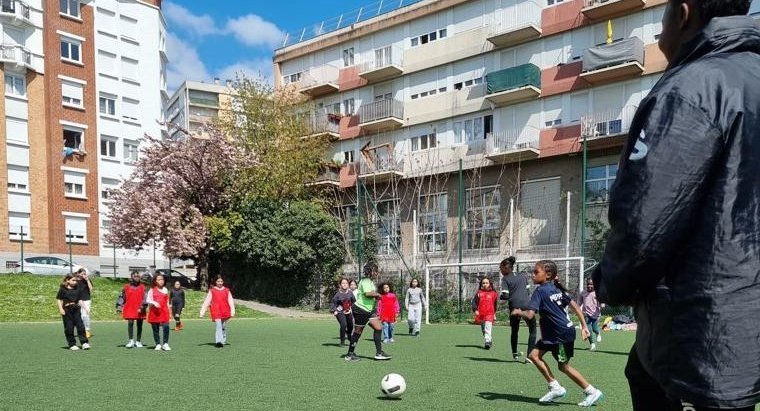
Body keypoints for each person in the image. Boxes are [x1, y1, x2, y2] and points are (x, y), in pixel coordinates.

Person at [590, 2, 760, 410]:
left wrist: (610, 282)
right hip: (744, 323)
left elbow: (646, 219)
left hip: (703, 330)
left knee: (650, 378)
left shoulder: (691, 89)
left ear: (683, 14)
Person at [512, 260, 603, 407]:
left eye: (536, 272)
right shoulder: (557, 288)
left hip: (559, 336)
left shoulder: (540, 291)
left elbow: (529, 315)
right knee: (534, 355)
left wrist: (518, 312)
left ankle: (591, 391)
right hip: (555, 334)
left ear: (547, 275)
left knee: (564, 366)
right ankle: (555, 387)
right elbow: (576, 308)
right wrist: (584, 327)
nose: (532, 275)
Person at [344, 262, 391, 362]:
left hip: (368, 311)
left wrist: (376, 296)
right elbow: (367, 294)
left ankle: (379, 353)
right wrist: (378, 295)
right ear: (370, 271)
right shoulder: (365, 280)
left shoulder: (369, 281)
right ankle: (349, 355)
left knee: (378, 328)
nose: (376, 273)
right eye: (375, 271)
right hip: (361, 309)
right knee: (357, 332)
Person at [499, 256, 536, 362]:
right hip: (527, 305)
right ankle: (529, 357)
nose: (500, 271)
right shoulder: (523, 276)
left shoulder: (505, 279)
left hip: (514, 306)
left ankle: (514, 353)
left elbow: (505, 296)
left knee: (514, 330)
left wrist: (501, 296)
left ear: (506, 268)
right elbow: (528, 291)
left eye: (501, 268)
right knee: (532, 330)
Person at [199, 275, 235, 348]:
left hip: (225, 310)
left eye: (221, 281)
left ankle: (223, 340)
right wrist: (202, 312)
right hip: (216, 311)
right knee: (218, 326)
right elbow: (207, 301)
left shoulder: (227, 290)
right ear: (215, 282)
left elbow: (230, 301)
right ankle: (219, 341)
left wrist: (232, 310)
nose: (220, 283)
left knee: (223, 326)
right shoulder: (212, 291)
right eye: (218, 281)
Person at [56, 273, 90, 350]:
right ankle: (72, 344)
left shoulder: (77, 288)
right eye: (73, 280)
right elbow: (59, 299)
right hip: (67, 310)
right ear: (68, 280)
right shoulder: (63, 289)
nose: (75, 282)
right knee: (69, 328)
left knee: (80, 326)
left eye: (76, 280)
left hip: (76, 309)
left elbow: (80, 300)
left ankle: (84, 343)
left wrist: (85, 308)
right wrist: (61, 309)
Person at [121, 271, 146, 348]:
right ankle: (131, 340)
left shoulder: (142, 287)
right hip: (130, 308)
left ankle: (138, 341)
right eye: (135, 276)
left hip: (140, 308)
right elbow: (122, 297)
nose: (137, 277)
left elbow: (145, 298)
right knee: (130, 323)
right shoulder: (126, 287)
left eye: (138, 276)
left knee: (139, 325)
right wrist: (119, 306)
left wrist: (142, 306)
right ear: (131, 277)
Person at [471, 277, 498, 350]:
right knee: (484, 330)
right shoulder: (479, 293)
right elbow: (474, 302)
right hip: (481, 314)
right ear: (481, 284)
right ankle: (489, 340)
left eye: (487, 283)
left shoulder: (494, 294)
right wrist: (475, 310)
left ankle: (487, 342)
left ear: (490, 284)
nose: (485, 284)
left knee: (487, 327)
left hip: (490, 313)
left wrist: (494, 313)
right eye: (483, 283)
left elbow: (495, 305)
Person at [147, 274, 171, 351]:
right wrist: (154, 303)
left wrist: (169, 311)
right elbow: (148, 300)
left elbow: (167, 301)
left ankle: (165, 344)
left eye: (162, 279)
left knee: (166, 327)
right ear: (155, 281)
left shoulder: (165, 290)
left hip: (164, 312)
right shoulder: (151, 290)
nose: (161, 281)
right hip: (154, 312)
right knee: (155, 329)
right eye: (159, 279)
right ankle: (157, 344)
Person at [578, 279, 602, 351]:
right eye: (588, 284)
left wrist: (602, 305)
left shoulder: (597, 293)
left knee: (594, 328)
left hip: (595, 314)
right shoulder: (583, 293)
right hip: (585, 314)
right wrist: (578, 309)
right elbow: (579, 302)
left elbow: (601, 302)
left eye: (591, 284)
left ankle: (598, 333)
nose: (589, 286)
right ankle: (592, 344)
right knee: (588, 329)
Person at [330, 278, 355, 346]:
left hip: (348, 312)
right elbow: (333, 303)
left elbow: (353, 302)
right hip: (340, 312)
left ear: (348, 285)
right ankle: (342, 341)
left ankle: (349, 334)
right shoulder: (337, 294)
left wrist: (350, 309)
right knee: (343, 325)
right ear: (340, 285)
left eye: (346, 283)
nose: (344, 284)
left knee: (351, 326)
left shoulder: (350, 293)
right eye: (343, 283)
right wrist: (334, 310)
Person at [75, 268, 93, 339]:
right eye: (82, 274)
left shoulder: (86, 280)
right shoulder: (75, 280)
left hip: (86, 300)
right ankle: (81, 331)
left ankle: (87, 330)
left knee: (85, 315)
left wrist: (87, 280)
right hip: (78, 300)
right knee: (79, 316)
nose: (83, 275)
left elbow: (91, 289)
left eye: (85, 274)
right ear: (78, 274)